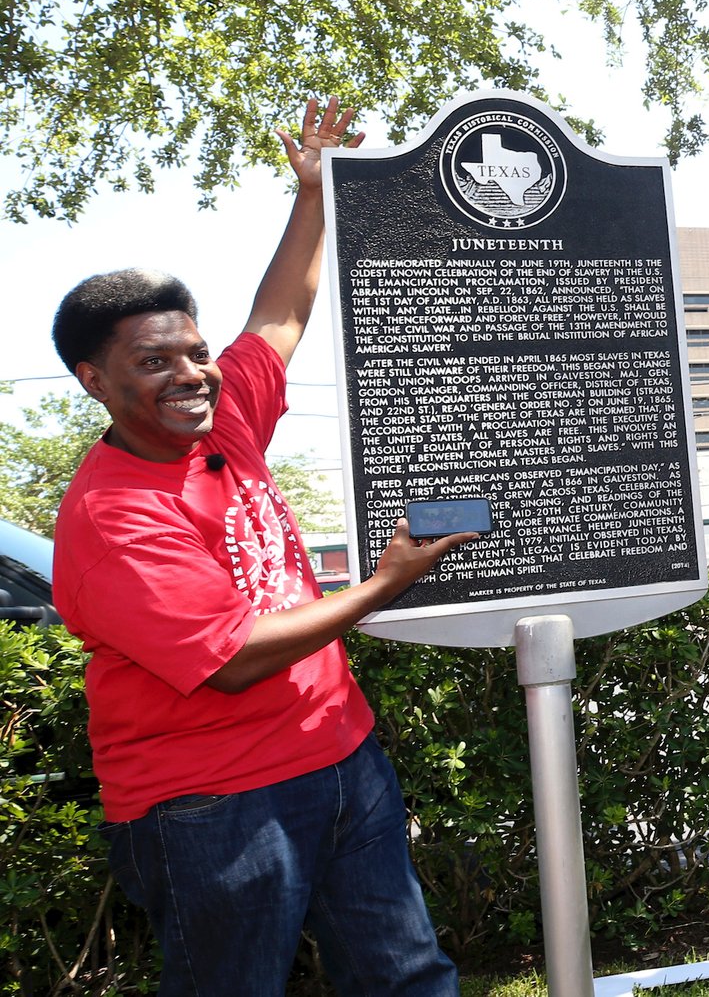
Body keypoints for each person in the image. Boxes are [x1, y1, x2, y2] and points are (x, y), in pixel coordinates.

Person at [50, 99, 475, 996]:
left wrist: (313, 195)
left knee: (408, 976)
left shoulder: (223, 417)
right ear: (95, 380)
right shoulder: (111, 516)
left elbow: (279, 315)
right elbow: (234, 661)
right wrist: (386, 583)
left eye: (194, 352)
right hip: (212, 803)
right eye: (155, 362)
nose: (191, 374)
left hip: (341, 756)